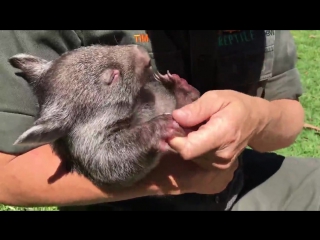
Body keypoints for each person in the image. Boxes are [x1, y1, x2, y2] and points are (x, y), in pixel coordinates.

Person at [0, 30, 319, 211]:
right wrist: (184, 176)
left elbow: (287, 112)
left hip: (238, 185)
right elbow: (6, 173)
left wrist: (258, 117)